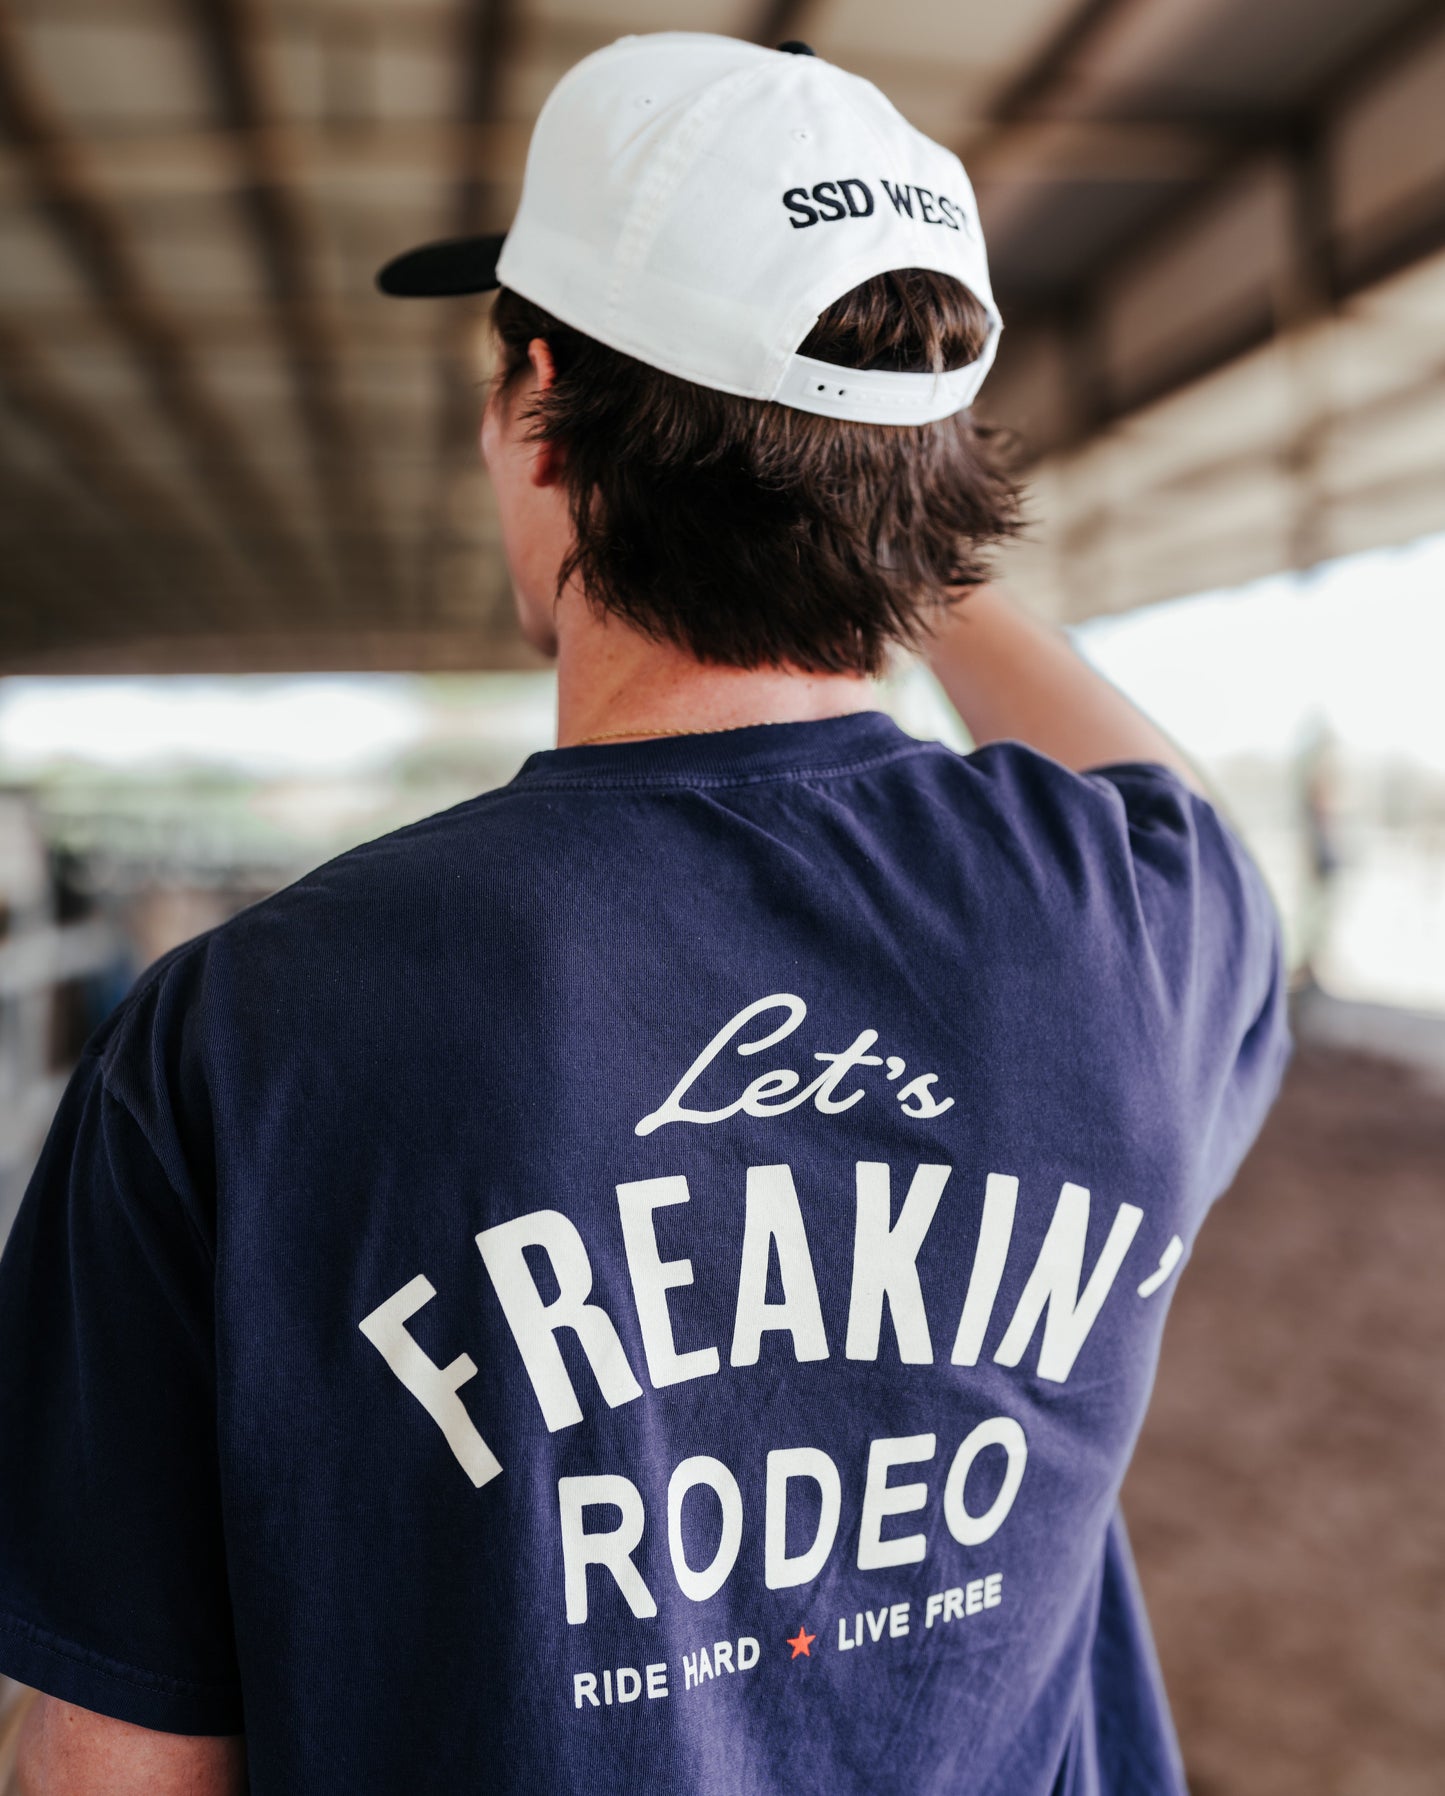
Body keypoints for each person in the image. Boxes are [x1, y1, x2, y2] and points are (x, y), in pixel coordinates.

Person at [0, 31, 1293, 1796]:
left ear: (537, 409)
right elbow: (1180, 812)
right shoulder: (1140, 929)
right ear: (917, 464)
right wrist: (869, 506)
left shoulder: (246, 1030)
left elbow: (108, 1759)